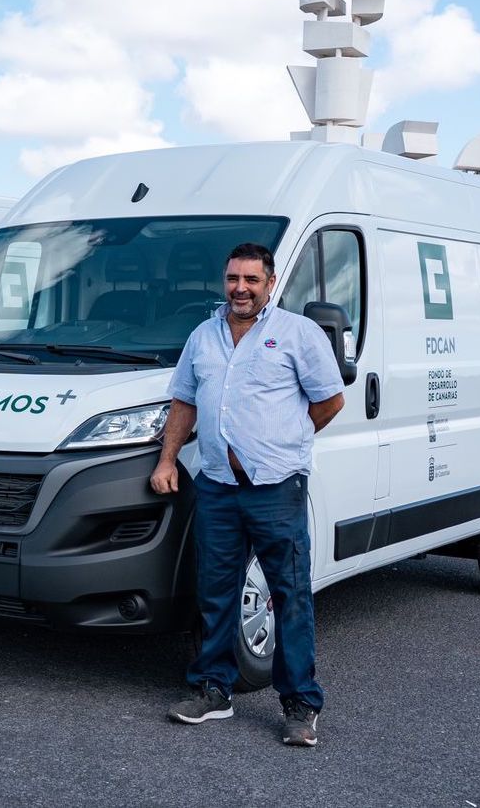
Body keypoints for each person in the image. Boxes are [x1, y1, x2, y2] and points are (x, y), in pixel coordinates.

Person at [150, 241, 345, 748]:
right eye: (234, 278)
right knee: (215, 593)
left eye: (251, 280)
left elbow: (330, 400)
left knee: (290, 596)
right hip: (216, 484)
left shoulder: (297, 334)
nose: (241, 288)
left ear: (270, 283)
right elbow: (184, 402)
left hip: (275, 486)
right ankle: (214, 691)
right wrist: (168, 459)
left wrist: (287, 441)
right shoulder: (203, 336)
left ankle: (300, 704)